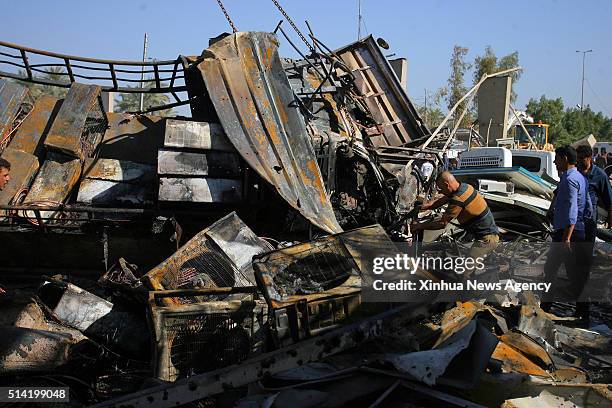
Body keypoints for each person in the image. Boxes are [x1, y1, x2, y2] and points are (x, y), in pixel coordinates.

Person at [411, 171, 499, 277]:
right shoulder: (464, 187)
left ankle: (463, 292)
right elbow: (437, 203)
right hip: (485, 235)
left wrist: (419, 226)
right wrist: (420, 207)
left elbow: (442, 223)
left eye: (441, 189)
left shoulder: (458, 199)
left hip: (486, 240)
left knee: (463, 274)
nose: (441, 192)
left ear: (447, 185)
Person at [542, 145, 592, 321]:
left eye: (556, 158)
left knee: (552, 271)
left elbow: (572, 209)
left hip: (567, 233)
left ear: (564, 158)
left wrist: (567, 238)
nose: (554, 162)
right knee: (572, 274)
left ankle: (546, 308)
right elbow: (587, 206)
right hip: (576, 230)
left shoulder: (570, 180)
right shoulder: (580, 177)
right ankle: (581, 311)